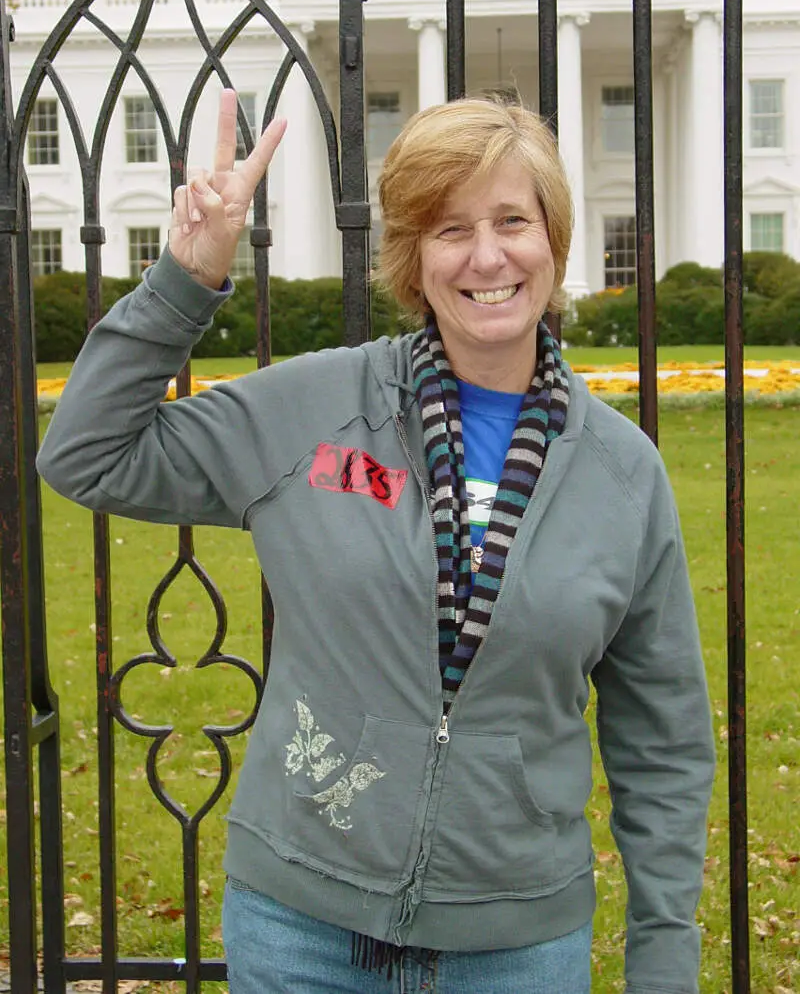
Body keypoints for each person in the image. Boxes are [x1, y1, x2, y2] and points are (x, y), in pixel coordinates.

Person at [37, 89, 715, 994]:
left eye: (512, 220)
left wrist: (664, 955)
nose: (486, 256)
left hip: (515, 946)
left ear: (553, 238)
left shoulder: (623, 475)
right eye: (449, 229)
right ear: (412, 257)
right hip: (299, 930)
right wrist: (184, 280)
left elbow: (661, 736)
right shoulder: (313, 410)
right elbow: (85, 452)